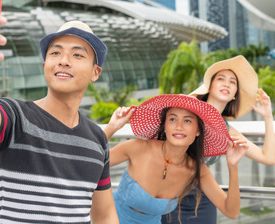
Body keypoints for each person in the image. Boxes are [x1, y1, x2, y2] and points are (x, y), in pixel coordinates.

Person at [0, 12, 119, 223]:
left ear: (95, 73)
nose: (64, 61)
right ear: (45, 66)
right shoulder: (17, 118)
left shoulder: (97, 138)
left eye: (78, 55)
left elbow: (105, 214)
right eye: (55, 53)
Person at [162, 55, 275, 224]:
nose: (227, 84)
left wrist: (267, 116)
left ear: (234, 94)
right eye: (221, 79)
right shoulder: (188, 108)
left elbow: (268, 157)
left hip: (202, 199)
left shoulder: (228, 131)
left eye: (232, 82)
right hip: (166, 196)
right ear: (209, 86)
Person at [104, 94, 248, 224]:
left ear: (198, 130)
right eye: (172, 119)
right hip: (110, 219)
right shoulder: (137, 148)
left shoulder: (196, 169)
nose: (179, 126)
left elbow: (231, 212)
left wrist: (232, 166)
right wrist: (111, 128)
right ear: (165, 125)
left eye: (187, 121)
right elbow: (88, 163)